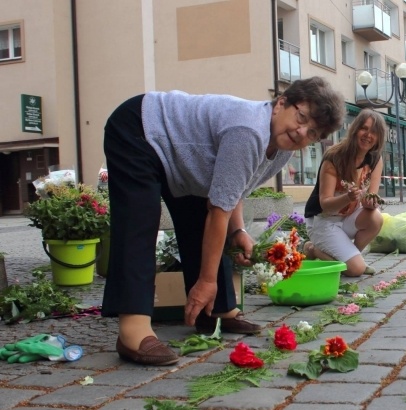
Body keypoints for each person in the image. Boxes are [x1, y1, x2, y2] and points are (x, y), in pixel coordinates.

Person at [102, 77, 345, 366]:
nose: (301, 131)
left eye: (313, 133)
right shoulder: (248, 131)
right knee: (139, 222)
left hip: (182, 160)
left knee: (200, 218)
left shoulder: (282, 149)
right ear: (281, 103)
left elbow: (233, 191)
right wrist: (206, 281)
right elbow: (219, 210)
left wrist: (239, 230)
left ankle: (215, 311)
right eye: (301, 117)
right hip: (139, 128)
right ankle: (133, 329)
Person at [303, 109, 386, 277]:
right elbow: (325, 204)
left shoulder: (375, 159)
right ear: (355, 130)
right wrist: (347, 197)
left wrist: (371, 203)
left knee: (376, 217)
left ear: (378, 138)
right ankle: (312, 248)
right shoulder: (334, 157)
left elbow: (371, 198)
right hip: (323, 220)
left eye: (374, 132)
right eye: (364, 128)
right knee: (356, 270)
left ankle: (352, 258)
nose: (368, 135)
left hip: (347, 217)